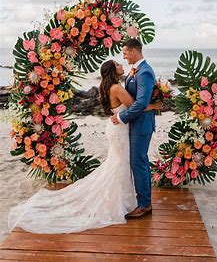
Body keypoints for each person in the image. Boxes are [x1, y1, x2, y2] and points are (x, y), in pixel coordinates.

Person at [8, 59, 160, 234]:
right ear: (112, 70)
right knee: (120, 165)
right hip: (119, 130)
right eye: (118, 64)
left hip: (116, 128)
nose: (121, 65)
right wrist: (155, 105)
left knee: (118, 164)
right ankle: (119, 203)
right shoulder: (116, 88)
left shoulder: (109, 86)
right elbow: (136, 107)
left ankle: (124, 202)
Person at [111, 39, 157, 219]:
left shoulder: (144, 72)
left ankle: (144, 205)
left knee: (138, 162)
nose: (123, 56)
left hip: (142, 124)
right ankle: (145, 202)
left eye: (125, 52)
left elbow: (141, 103)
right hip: (137, 123)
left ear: (135, 51)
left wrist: (121, 117)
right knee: (140, 162)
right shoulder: (135, 70)